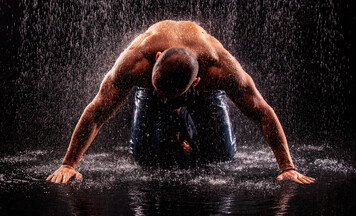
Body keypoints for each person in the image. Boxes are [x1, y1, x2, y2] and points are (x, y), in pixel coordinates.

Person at [46, 20, 315, 184]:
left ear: (196, 83)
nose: (162, 96)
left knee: (222, 158)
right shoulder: (135, 61)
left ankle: (183, 122)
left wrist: (287, 167)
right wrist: (69, 164)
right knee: (145, 159)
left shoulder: (220, 69)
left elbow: (262, 113)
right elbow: (97, 112)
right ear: (157, 56)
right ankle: (169, 115)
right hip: (156, 85)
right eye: (158, 88)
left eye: (168, 94)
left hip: (203, 93)